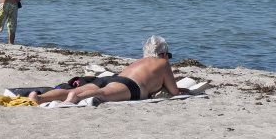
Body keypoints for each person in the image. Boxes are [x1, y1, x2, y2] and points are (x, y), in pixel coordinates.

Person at [28, 35, 185, 105]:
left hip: (112, 78)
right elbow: (174, 91)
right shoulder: (163, 63)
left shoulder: (139, 61)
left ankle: (39, 98)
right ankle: (74, 99)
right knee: (102, 94)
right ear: (163, 53)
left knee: (75, 90)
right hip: (131, 86)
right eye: (168, 55)